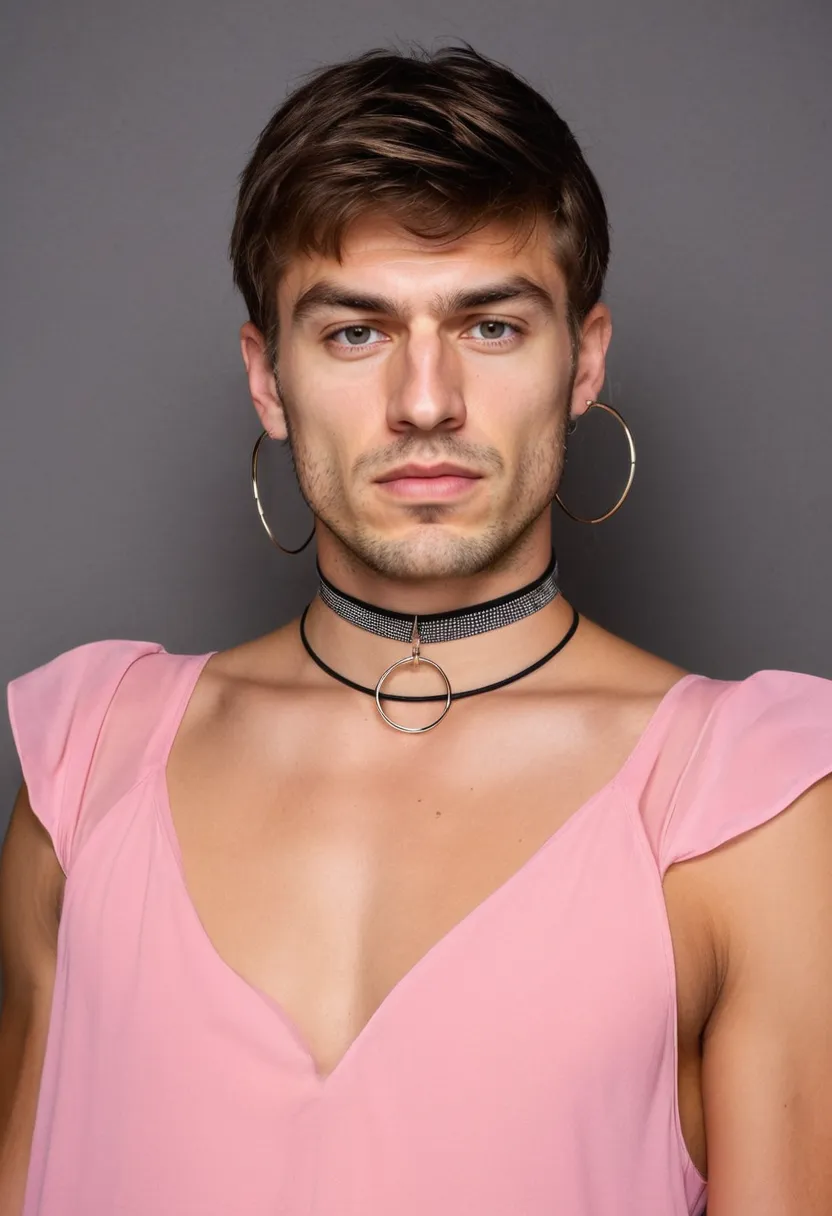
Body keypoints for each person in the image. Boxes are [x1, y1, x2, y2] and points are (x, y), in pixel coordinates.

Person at [1, 41, 830, 1216]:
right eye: (355, 332)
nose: (426, 401)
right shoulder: (84, 767)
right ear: (267, 379)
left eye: (490, 326)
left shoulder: (748, 807)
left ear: (581, 360)